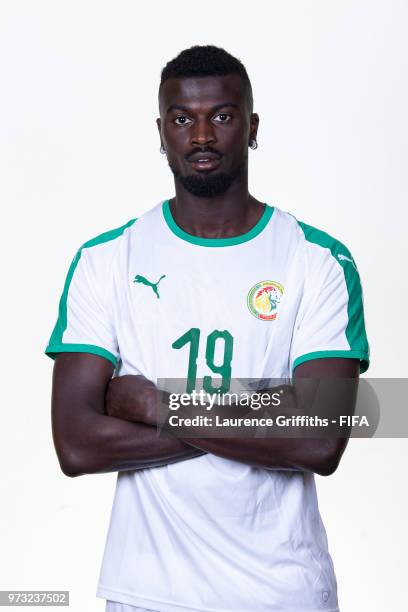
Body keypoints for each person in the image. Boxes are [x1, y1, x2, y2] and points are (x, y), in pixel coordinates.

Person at [45, 45, 370, 612]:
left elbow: (318, 440)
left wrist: (156, 405)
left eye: (221, 116)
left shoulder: (316, 259)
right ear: (161, 131)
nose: (200, 135)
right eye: (182, 119)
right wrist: (269, 413)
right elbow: (76, 445)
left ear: (252, 126)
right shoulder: (106, 260)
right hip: (146, 592)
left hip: (281, 593)